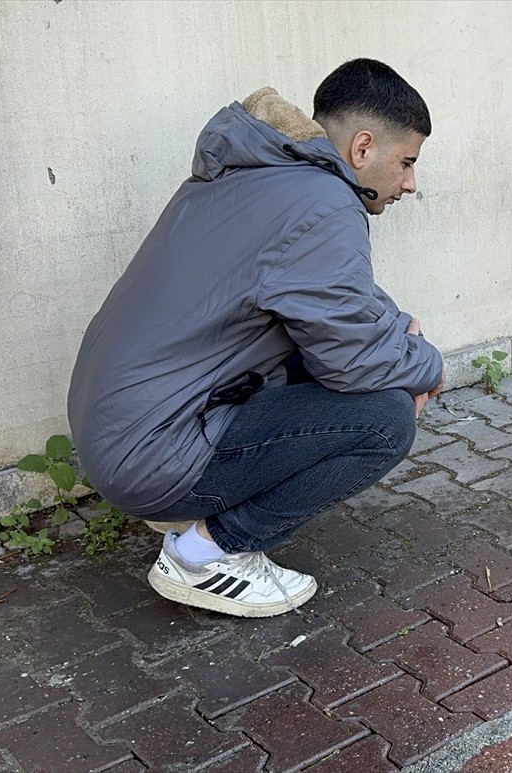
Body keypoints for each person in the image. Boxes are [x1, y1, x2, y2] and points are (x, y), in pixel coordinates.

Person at [67, 59, 445, 618]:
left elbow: (344, 304)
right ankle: (204, 554)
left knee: (354, 359)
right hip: (150, 453)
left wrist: (397, 340)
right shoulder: (327, 206)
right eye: (407, 162)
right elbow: (355, 360)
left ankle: (190, 513)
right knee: (385, 418)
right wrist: (427, 364)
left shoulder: (261, 176)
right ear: (363, 148)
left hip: (120, 429)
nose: (410, 183)